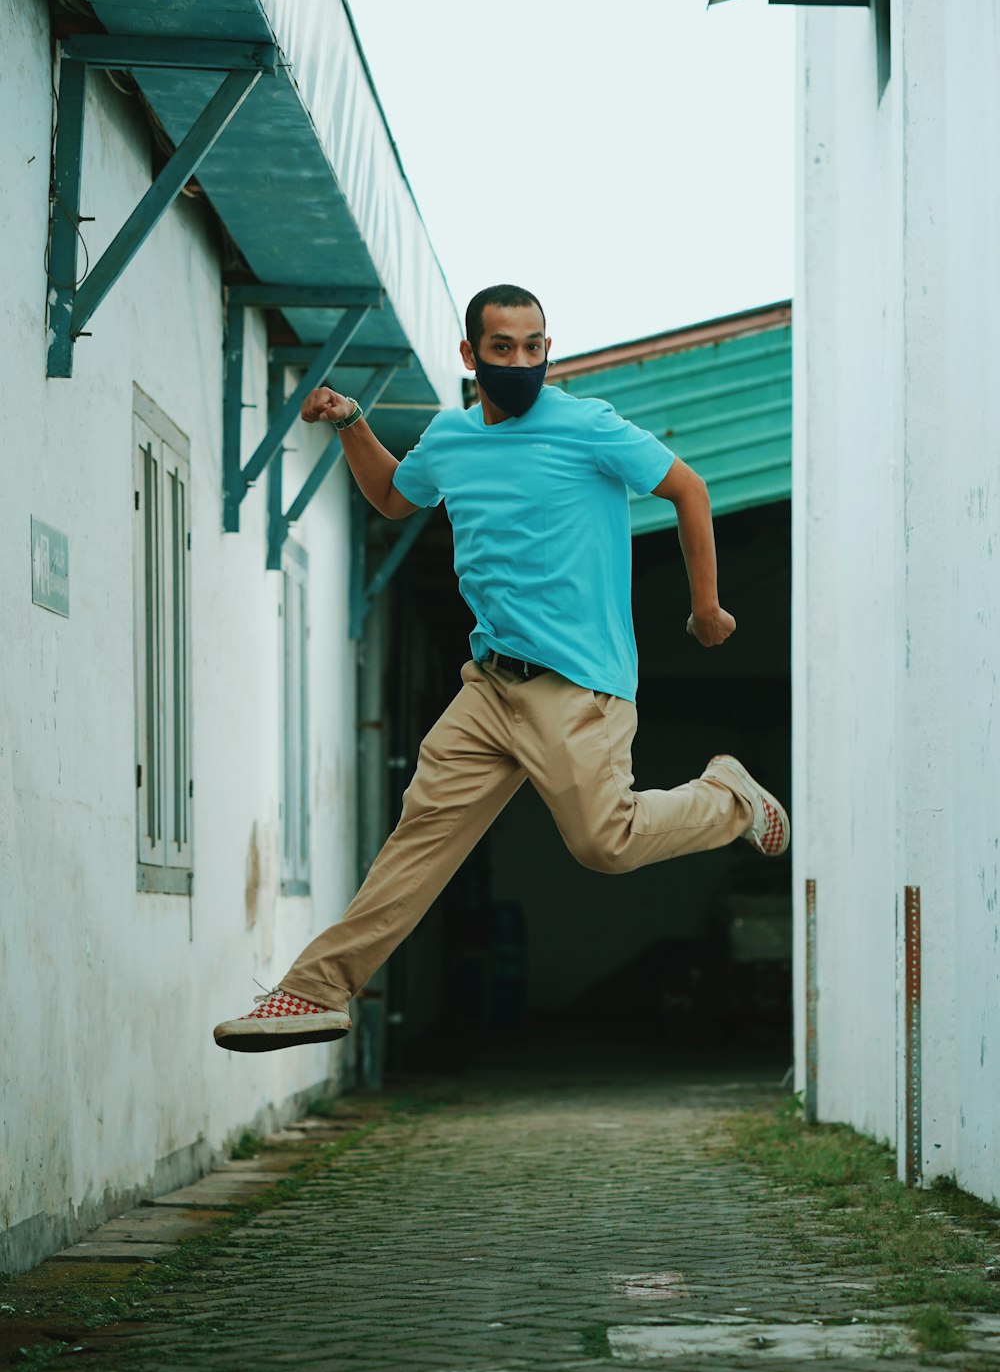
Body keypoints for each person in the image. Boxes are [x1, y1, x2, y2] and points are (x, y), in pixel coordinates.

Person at [214, 283, 788, 1053]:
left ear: (547, 350)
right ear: (470, 356)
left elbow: (688, 486)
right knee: (420, 837)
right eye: (503, 348)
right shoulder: (450, 440)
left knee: (603, 844)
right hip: (488, 686)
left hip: (576, 683)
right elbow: (390, 495)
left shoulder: (587, 426)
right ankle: (314, 990)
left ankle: (728, 797)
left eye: (534, 347)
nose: (521, 361)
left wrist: (708, 608)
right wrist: (353, 422)